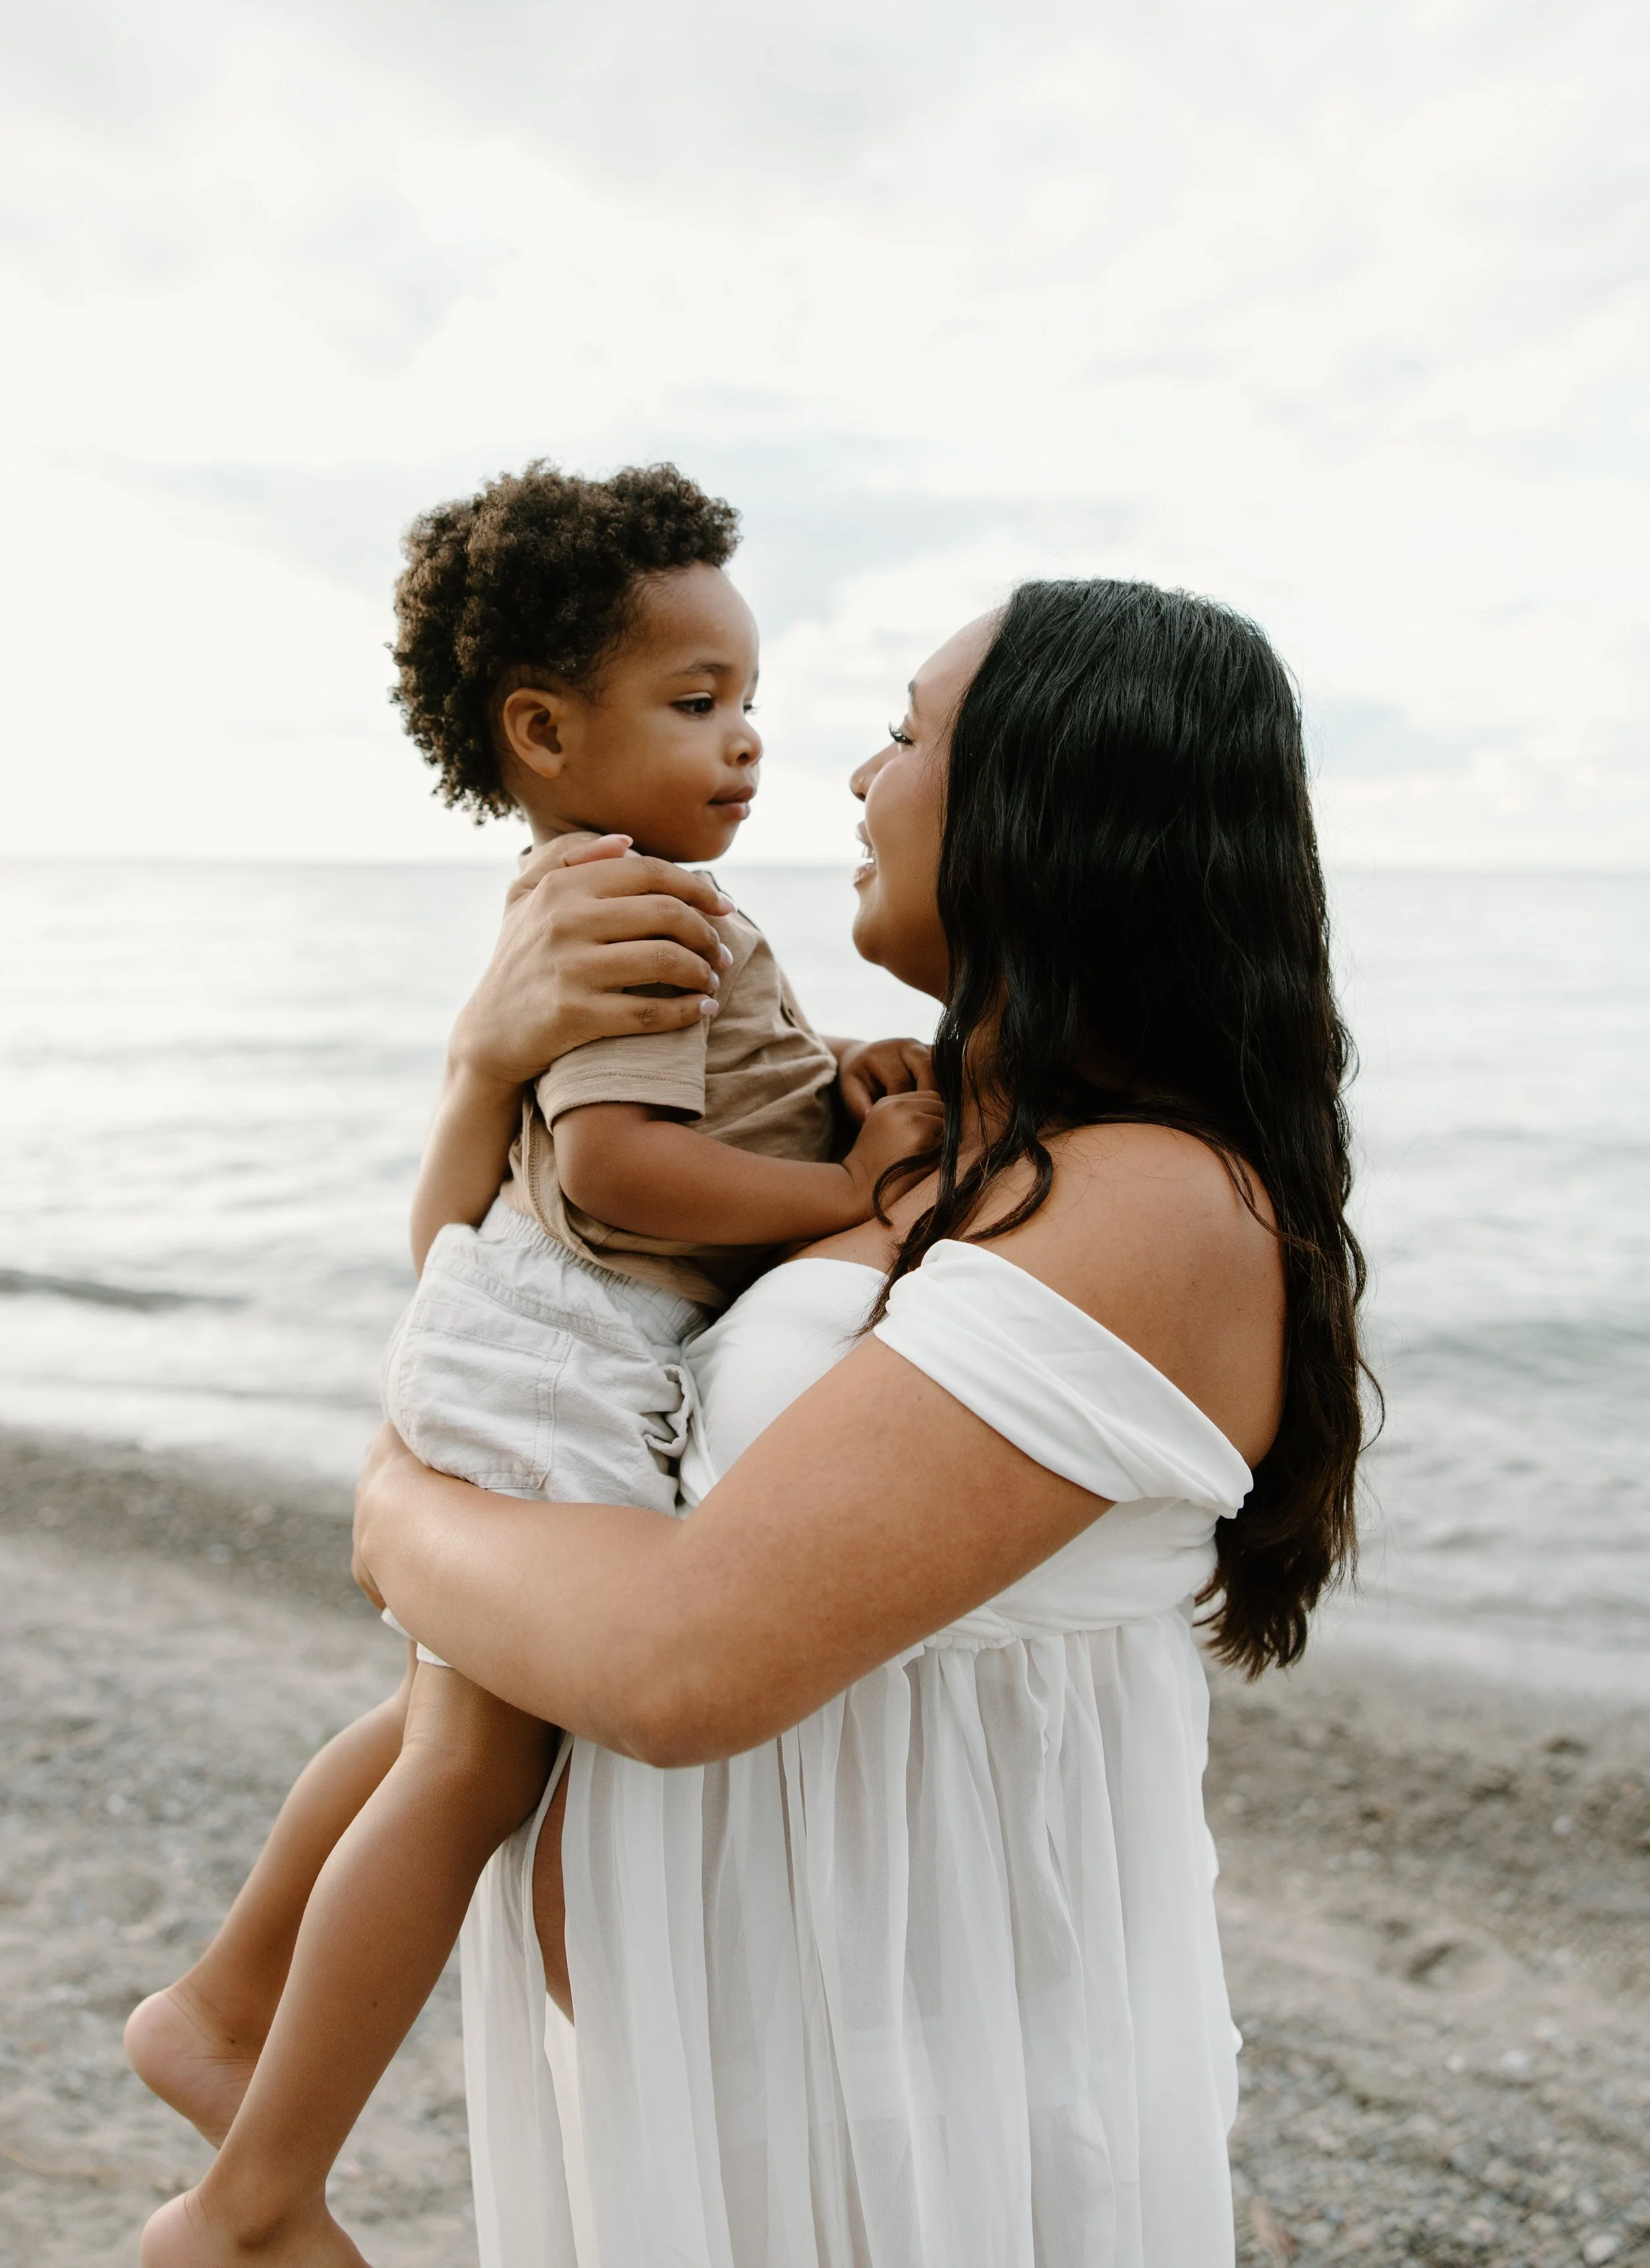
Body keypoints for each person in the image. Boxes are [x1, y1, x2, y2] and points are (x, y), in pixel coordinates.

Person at [337, 576, 1369, 2268]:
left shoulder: (1152, 1209)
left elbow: (682, 1667)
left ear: (1048, 807)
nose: (852, 777)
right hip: (752, 2065)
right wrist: (483, 1064)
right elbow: (509, 1284)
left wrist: (393, 1511)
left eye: (906, 734)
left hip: (914, 2095)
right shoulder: (928, 1125)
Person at [128, 463, 935, 2268]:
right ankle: (253, 2191)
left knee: (457, 1718)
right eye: (696, 700)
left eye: (749, 702)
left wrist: (840, 1083)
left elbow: (655, 1115)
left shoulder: (612, 894)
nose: (746, 744)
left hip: (526, 1335)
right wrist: (851, 1194)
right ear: (546, 727)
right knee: (480, 1768)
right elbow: (621, 1170)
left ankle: (230, 1996)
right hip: (562, 1352)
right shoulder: (633, 908)